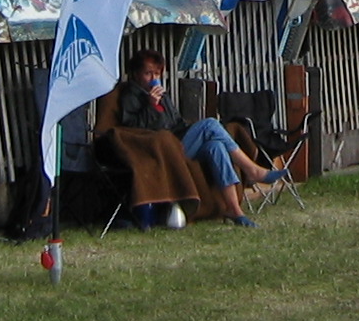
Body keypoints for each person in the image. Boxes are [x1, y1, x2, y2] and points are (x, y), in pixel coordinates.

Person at [117, 50, 286, 227]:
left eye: (157, 73)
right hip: (163, 150)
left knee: (216, 147)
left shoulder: (162, 95)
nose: (153, 78)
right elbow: (133, 128)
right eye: (148, 73)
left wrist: (187, 128)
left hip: (177, 141)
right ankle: (252, 170)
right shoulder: (131, 95)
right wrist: (150, 106)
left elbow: (177, 123)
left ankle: (234, 210)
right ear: (136, 74)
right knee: (210, 124)